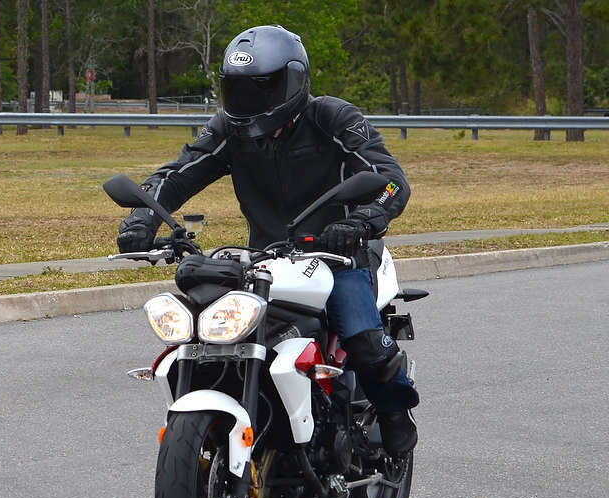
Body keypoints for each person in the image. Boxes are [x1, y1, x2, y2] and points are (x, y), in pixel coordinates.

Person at [116, 24, 419, 456]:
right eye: (237, 90)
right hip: (265, 259)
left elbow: (389, 180)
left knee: (360, 337)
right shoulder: (228, 129)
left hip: (338, 256)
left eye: (261, 88)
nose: (247, 101)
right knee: (211, 333)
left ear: (293, 82)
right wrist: (143, 217)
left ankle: (393, 412)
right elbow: (178, 173)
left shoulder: (333, 118)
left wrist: (363, 220)